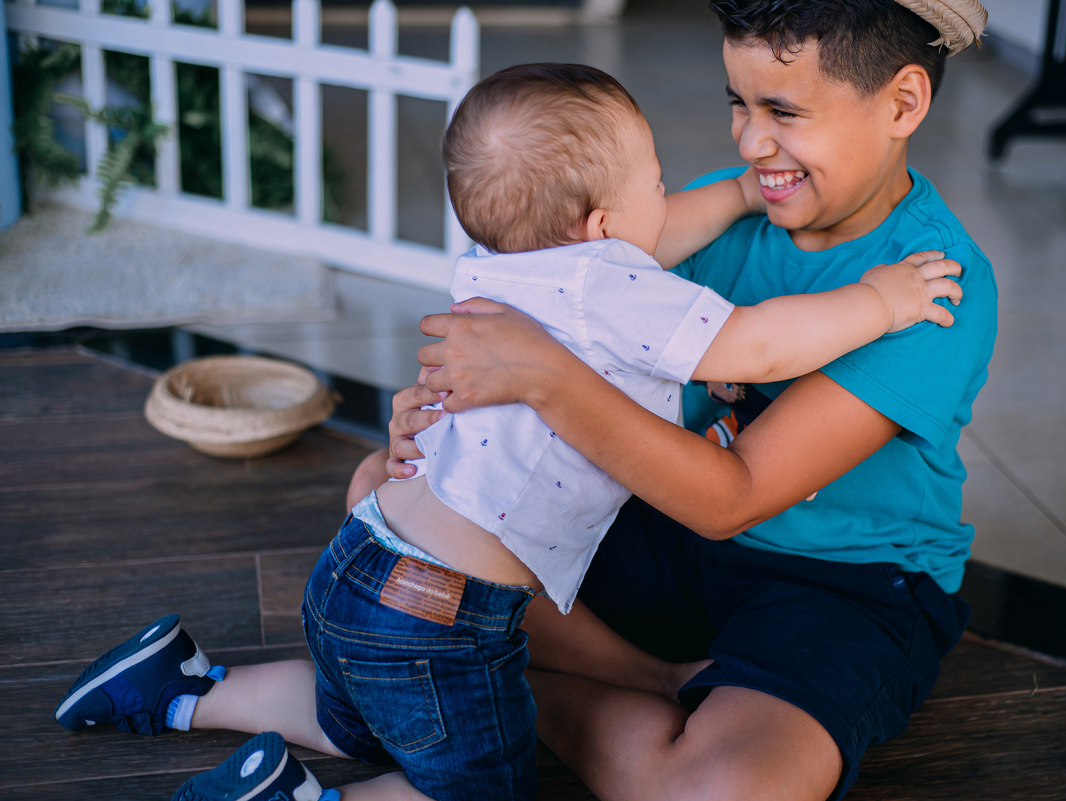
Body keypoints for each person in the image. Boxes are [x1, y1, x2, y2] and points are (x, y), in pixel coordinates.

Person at [51, 62, 962, 801]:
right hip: (449, 617)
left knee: (357, 714)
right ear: (603, 229)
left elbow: (656, 233)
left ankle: (188, 688)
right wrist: (881, 299)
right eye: (655, 179)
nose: (678, 190)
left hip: (362, 567)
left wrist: (733, 194)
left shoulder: (504, 265)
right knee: (480, 785)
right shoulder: (616, 286)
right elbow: (760, 343)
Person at [378, 1, 998, 799]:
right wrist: (447, 412)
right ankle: (628, 679)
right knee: (386, 492)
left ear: (903, 104)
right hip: (659, 521)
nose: (749, 141)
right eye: (738, 104)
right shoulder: (723, 208)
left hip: (839, 578)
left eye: (784, 111)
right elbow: (551, 306)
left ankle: (472, 695)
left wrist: (539, 376)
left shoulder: (929, 281)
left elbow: (731, 497)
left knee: (724, 788)